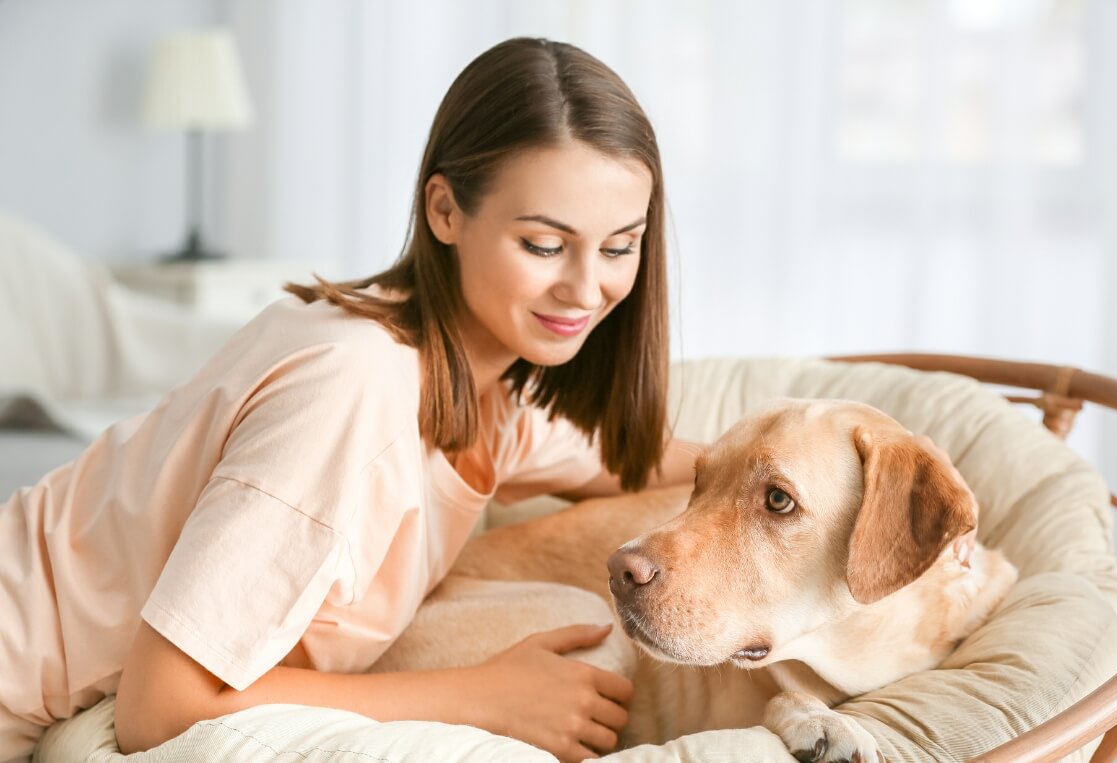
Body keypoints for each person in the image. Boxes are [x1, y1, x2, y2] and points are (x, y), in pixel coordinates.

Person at [0, 37, 700, 763]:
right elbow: (164, 706)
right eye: (544, 245)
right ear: (444, 211)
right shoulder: (354, 391)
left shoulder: (479, 390)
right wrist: (481, 697)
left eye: (619, 248)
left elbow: (644, 461)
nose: (587, 290)